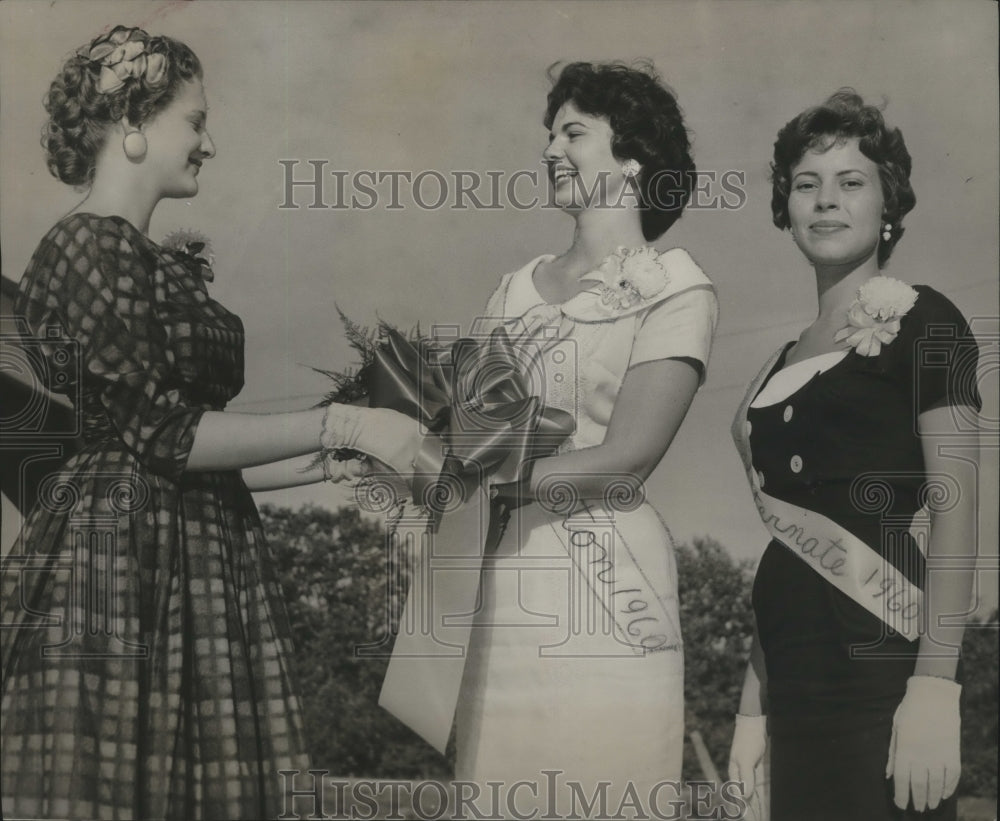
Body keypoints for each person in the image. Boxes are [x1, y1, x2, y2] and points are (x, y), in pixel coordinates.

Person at [0, 25, 371, 820]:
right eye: (195, 121)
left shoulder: (139, 256)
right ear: (131, 125)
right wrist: (343, 422)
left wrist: (329, 458)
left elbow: (179, 453)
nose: (209, 143)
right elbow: (164, 438)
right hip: (114, 574)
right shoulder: (85, 248)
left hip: (194, 556)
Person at [327, 60, 716, 814]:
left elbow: (627, 458)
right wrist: (397, 439)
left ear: (634, 156)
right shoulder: (514, 287)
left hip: (612, 586)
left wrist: (465, 475)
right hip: (502, 574)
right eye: (548, 134)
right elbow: (464, 429)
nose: (550, 150)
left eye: (574, 132)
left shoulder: (678, 286)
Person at [727, 90, 981, 821]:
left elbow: (956, 508)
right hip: (790, 679)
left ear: (889, 204)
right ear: (785, 207)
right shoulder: (769, 370)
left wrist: (937, 684)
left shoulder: (925, 318)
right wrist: (751, 711)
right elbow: (788, 546)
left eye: (851, 181)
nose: (825, 200)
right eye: (806, 184)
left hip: (885, 669)